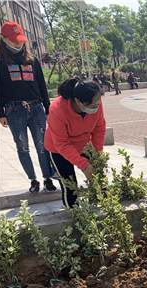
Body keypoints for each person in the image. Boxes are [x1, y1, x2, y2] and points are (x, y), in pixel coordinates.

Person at [0, 21, 56, 193]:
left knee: (42, 146)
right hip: (14, 110)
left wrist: (47, 108)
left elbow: (42, 86)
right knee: (22, 147)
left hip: (36, 108)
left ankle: (47, 178)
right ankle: (33, 180)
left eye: (20, 39)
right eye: (14, 39)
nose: (18, 42)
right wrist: (0, 114)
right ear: (4, 38)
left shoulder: (32, 60)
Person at [44, 78, 106, 207]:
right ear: (78, 101)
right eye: (93, 105)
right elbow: (61, 144)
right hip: (58, 149)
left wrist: (96, 154)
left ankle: (102, 207)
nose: (97, 107)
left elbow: (99, 129)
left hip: (83, 144)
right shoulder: (57, 109)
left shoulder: (96, 103)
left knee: (97, 177)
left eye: (98, 103)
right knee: (70, 185)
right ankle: (74, 215)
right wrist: (83, 164)